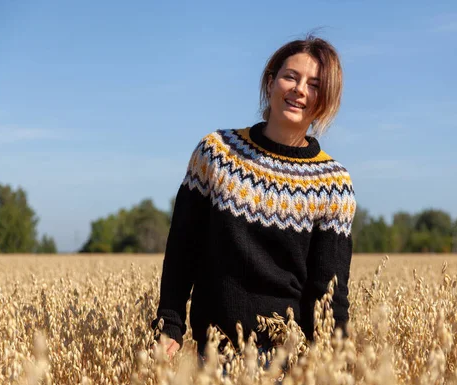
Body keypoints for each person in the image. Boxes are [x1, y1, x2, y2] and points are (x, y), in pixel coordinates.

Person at [151, 34, 356, 359]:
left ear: (324, 101)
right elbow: (182, 248)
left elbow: (328, 291)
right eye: (291, 76)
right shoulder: (216, 153)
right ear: (271, 82)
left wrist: (336, 363)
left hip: (287, 364)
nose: (300, 89)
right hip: (214, 355)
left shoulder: (333, 183)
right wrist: (169, 323)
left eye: (314, 85)